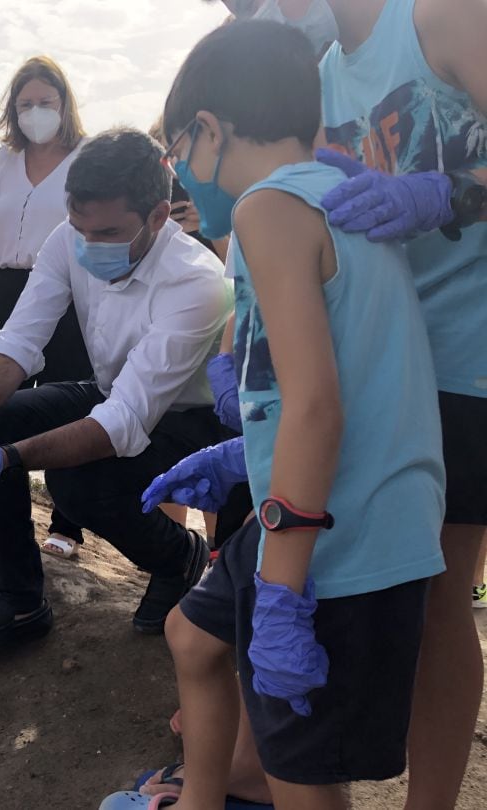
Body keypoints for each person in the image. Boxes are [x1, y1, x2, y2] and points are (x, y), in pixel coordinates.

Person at [106, 20, 446, 810]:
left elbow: (318, 407)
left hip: (336, 537)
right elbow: (340, 377)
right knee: (192, 634)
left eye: (179, 152)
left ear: (212, 130)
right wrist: (242, 457)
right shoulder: (331, 191)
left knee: (304, 772)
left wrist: (286, 598)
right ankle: (208, 797)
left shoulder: (265, 209)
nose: (185, 174)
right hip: (322, 505)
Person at [181, 3, 487, 808]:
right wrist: (238, 393)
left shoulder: (444, 20)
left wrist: (446, 194)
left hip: (467, 355)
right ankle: (257, 771)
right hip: (372, 350)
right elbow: (280, 271)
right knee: (309, 605)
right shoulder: (308, 82)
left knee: (437, 598)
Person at [0, 127, 232, 649]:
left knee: (77, 487)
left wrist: (4, 461)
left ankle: (180, 557)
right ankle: (22, 604)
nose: (88, 244)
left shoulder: (197, 283)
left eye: (107, 233)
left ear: (158, 217)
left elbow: (126, 419)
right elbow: (22, 336)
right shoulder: (69, 237)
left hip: (190, 419)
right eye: (80, 227)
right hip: (111, 389)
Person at [0, 56, 95, 561]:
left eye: (46, 103)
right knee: (0, 401)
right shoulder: (3, 159)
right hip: (10, 288)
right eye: (26, 104)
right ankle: (2, 502)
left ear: (64, 104)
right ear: (13, 110)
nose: (36, 112)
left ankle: (66, 524)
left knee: (63, 400)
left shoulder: (86, 156)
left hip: (68, 291)